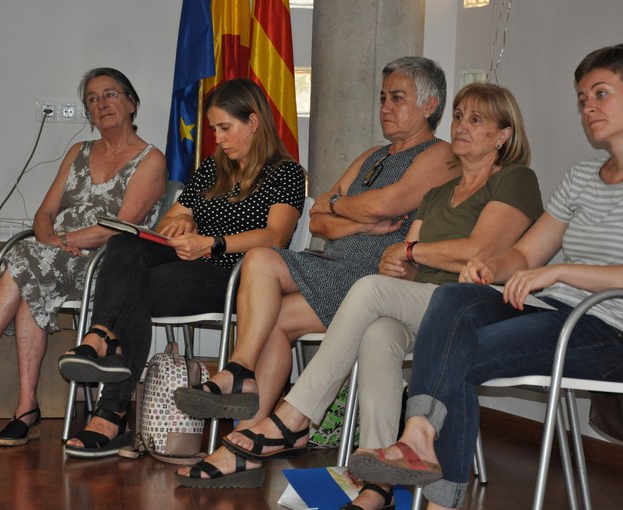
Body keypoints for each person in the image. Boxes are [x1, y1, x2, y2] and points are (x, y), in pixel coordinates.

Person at [347, 44, 623, 510]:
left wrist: (558, 271)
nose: (588, 107)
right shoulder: (581, 177)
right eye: (582, 98)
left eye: (601, 94)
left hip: (613, 333)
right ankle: (419, 436)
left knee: (459, 356)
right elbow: (525, 253)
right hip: (555, 312)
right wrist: (490, 268)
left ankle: (430, 476)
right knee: (454, 298)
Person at [222, 82, 544, 510]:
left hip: (473, 304)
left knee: (370, 288)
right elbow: (407, 261)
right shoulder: (438, 194)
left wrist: (410, 253)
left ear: (503, 135)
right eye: (459, 117)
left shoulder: (515, 179)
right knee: (378, 332)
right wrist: (401, 263)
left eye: (475, 120)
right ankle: (377, 478)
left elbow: (479, 250)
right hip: (424, 301)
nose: (461, 126)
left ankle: (296, 414)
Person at [173, 56, 457, 488]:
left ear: (430, 105)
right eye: (383, 97)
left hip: (375, 276)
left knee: (266, 299)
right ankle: (245, 412)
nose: (385, 107)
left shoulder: (439, 154)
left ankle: (242, 422)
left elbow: (384, 204)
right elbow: (319, 219)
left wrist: (342, 206)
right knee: (262, 274)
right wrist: (356, 219)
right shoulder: (372, 156)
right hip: (333, 263)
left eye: (397, 98)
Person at [57, 78, 307, 458]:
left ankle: (111, 407)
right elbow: (167, 224)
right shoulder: (213, 169)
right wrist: (184, 222)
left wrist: (212, 242)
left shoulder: (285, 173)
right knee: (124, 244)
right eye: (214, 129)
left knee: (132, 288)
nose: (218, 138)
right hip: (188, 263)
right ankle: (104, 340)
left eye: (225, 127)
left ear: (254, 122)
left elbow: (276, 236)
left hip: (237, 279)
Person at [0, 67, 167, 447]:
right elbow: (44, 214)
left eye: (110, 94)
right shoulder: (78, 152)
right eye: (92, 99)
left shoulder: (151, 160)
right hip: (56, 254)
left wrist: (61, 241)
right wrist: (52, 240)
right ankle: (25, 408)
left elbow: (123, 228)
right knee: (33, 269)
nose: (101, 103)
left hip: (106, 264)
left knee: (27, 261)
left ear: (132, 103)